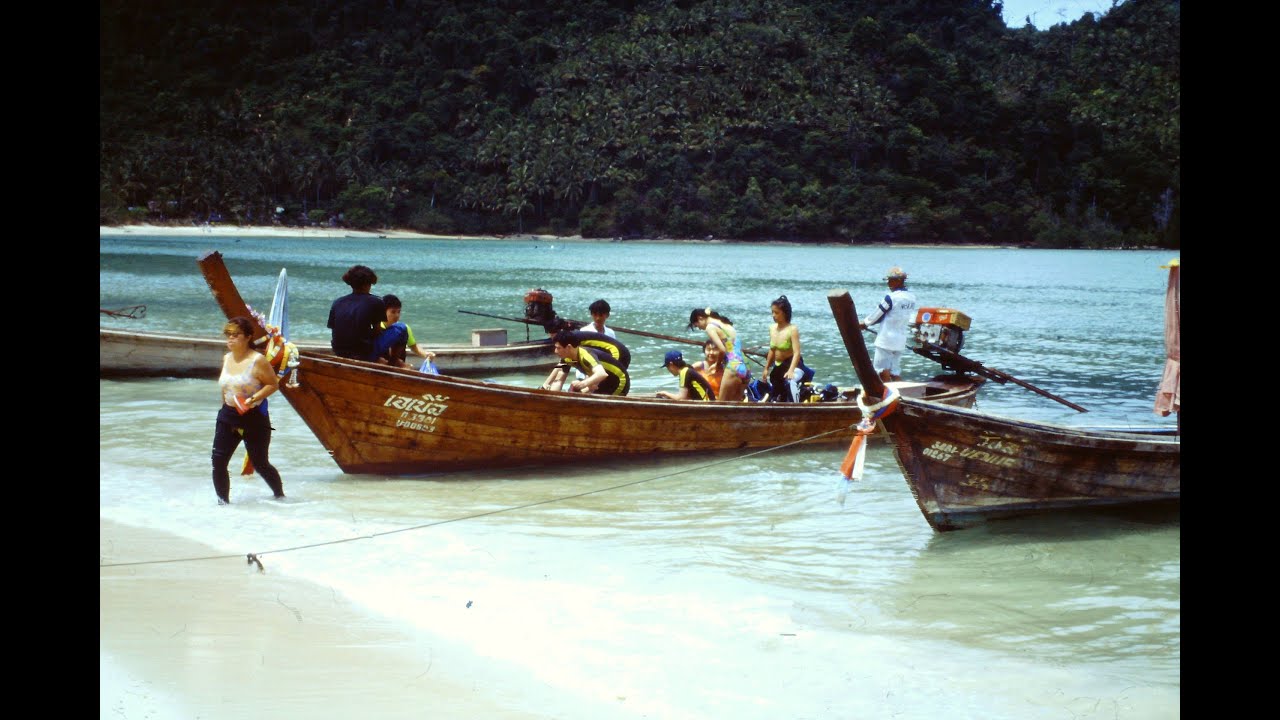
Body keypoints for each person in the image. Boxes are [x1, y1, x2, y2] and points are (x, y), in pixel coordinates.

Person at [211, 316, 285, 505]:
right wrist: (226, 408)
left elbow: (273, 384)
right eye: (228, 334)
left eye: (236, 335)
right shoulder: (227, 358)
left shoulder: (257, 360)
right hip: (228, 416)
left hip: (253, 417)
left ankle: (280, 496)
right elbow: (225, 388)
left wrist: (251, 399)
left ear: (248, 337)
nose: (230, 339)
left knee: (260, 463)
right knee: (218, 462)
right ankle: (223, 504)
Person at [860, 266, 919, 382]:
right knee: (894, 371)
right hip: (900, 339)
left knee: (881, 370)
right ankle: (902, 395)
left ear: (898, 281)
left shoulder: (891, 298)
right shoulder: (912, 298)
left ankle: (890, 395)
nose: (888, 283)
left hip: (886, 340)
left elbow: (877, 315)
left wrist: (865, 323)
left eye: (890, 280)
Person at [541, 329, 631, 395]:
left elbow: (602, 374)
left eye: (558, 348)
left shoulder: (586, 354)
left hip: (619, 381)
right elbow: (559, 380)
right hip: (606, 382)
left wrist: (583, 384)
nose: (555, 351)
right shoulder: (567, 359)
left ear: (568, 347)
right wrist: (550, 394)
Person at [688, 307, 750, 401]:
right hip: (745, 364)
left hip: (733, 365)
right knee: (736, 404)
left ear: (700, 318)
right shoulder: (725, 324)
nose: (700, 328)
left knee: (721, 404)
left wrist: (717, 365)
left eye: (697, 325)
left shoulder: (710, 327)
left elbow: (722, 350)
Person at [327, 264, 385, 360]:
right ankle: (393, 364)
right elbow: (377, 331)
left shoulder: (337, 302)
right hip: (362, 352)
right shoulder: (376, 301)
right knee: (400, 329)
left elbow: (335, 329)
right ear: (368, 284)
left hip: (339, 351)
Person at [764, 295, 815, 402]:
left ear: (785, 313)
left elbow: (797, 353)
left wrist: (791, 370)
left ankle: (795, 407)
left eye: (777, 313)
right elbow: (772, 350)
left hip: (794, 364)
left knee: (790, 381)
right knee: (774, 381)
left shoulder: (792, 329)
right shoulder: (772, 328)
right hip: (779, 365)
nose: (774, 315)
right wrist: (766, 368)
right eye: (772, 312)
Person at [374, 294, 436, 370]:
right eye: (393, 312)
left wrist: (426, 354)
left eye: (398, 312)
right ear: (383, 312)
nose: (397, 315)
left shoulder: (404, 329)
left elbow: (414, 347)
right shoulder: (377, 327)